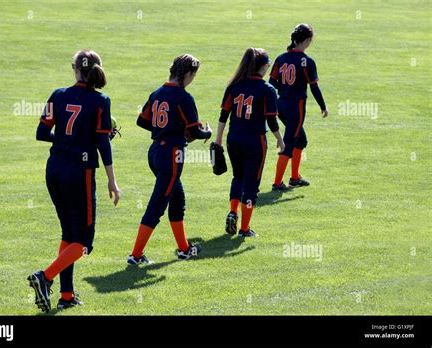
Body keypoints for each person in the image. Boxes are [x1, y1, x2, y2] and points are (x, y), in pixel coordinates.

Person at [28, 49, 121, 312]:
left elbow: (41, 133)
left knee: (69, 233)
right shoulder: (101, 100)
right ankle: (44, 278)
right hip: (79, 174)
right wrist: (112, 181)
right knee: (84, 243)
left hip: (54, 170)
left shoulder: (58, 95)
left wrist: (69, 141)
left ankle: (66, 295)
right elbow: (103, 144)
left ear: (75, 69)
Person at [128, 54, 212, 265]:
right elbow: (196, 132)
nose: (193, 78)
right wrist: (208, 133)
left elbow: (142, 121)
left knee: (177, 199)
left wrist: (164, 129)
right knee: (157, 205)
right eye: (194, 74)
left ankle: (184, 249)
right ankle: (135, 255)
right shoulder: (184, 97)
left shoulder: (157, 92)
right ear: (187, 73)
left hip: (155, 152)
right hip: (171, 157)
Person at [215, 48, 285, 237]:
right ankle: (244, 229)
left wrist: (218, 139)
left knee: (237, 177)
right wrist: (280, 140)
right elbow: (271, 121)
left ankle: (232, 212)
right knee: (251, 183)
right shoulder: (266, 89)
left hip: (233, 139)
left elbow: (223, 115)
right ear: (262, 67)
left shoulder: (234, 85)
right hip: (255, 142)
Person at [270, 23, 328, 192]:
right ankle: (277, 183)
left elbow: (271, 84)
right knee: (289, 144)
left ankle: (295, 178)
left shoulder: (281, 58)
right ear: (308, 40)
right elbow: (314, 87)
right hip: (296, 108)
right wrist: (323, 106)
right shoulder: (306, 61)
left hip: (281, 105)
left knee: (300, 141)